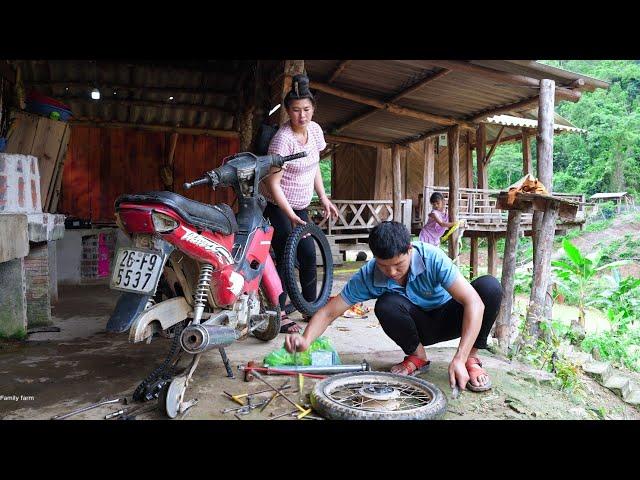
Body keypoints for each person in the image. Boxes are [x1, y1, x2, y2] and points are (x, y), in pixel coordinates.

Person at [284, 221, 503, 392]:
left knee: (489, 287)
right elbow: (330, 311)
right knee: (386, 304)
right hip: (418, 329)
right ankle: (417, 357)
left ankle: (471, 358)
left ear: (409, 249)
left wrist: (460, 357)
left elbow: (472, 303)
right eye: (384, 266)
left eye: (398, 264)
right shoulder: (369, 274)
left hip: (450, 318)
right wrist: (305, 340)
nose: (391, 272)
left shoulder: (432, 257)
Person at [261, 74, 339, 334]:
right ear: (288, 112)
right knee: (286, 253)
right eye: (295, 110)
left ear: (313, 109)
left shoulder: (315, 131)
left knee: (307, 253)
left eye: (306, 109)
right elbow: (273, 185)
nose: (302, 116)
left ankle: (310, 307)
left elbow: (315, 166)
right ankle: (279, 314)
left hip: (301, 205)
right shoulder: (282, 140)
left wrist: (324, 197)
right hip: (277, 204)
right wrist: (290, 215)